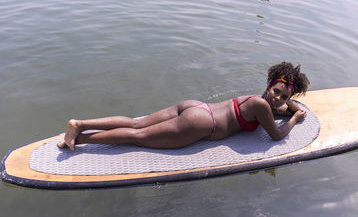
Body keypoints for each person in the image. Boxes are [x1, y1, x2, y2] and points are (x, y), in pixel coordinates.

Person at [58, 62, 310, 150]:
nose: (277, 99)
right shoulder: (263, 108)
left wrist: (290, 105)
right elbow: (276, 136)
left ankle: (80, 124)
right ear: (269, 85)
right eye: (276, 92)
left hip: (194, 107)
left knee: (137, 122)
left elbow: (278, 107)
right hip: (201, 125)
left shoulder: (258, 99)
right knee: (139, 136)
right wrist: (295, 119)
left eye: (283, 97)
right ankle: (78, 141)